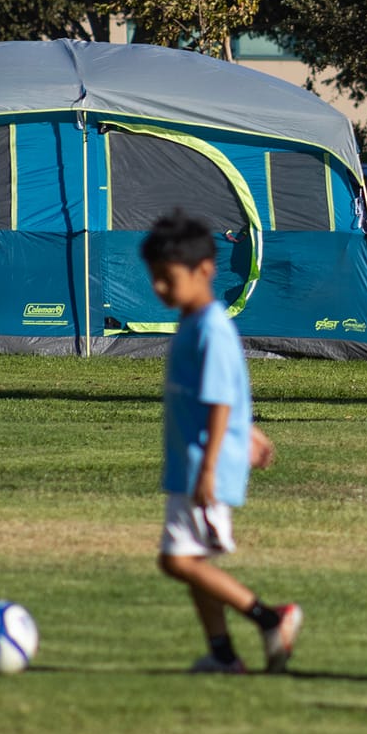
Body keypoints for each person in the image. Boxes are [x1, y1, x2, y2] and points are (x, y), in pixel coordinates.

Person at [143, 210, 303, 675]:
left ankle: (271, 617)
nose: (158, 289)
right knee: (194, 561)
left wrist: (211, 468)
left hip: (202, 467)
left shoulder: (211, 328)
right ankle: (223, 656)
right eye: (154, 278)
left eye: (166, 278)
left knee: (176, 562)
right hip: (191, 463)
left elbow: (218, 403)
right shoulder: (194, 323)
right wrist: (248, 431)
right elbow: (227, 392)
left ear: (204, 272)